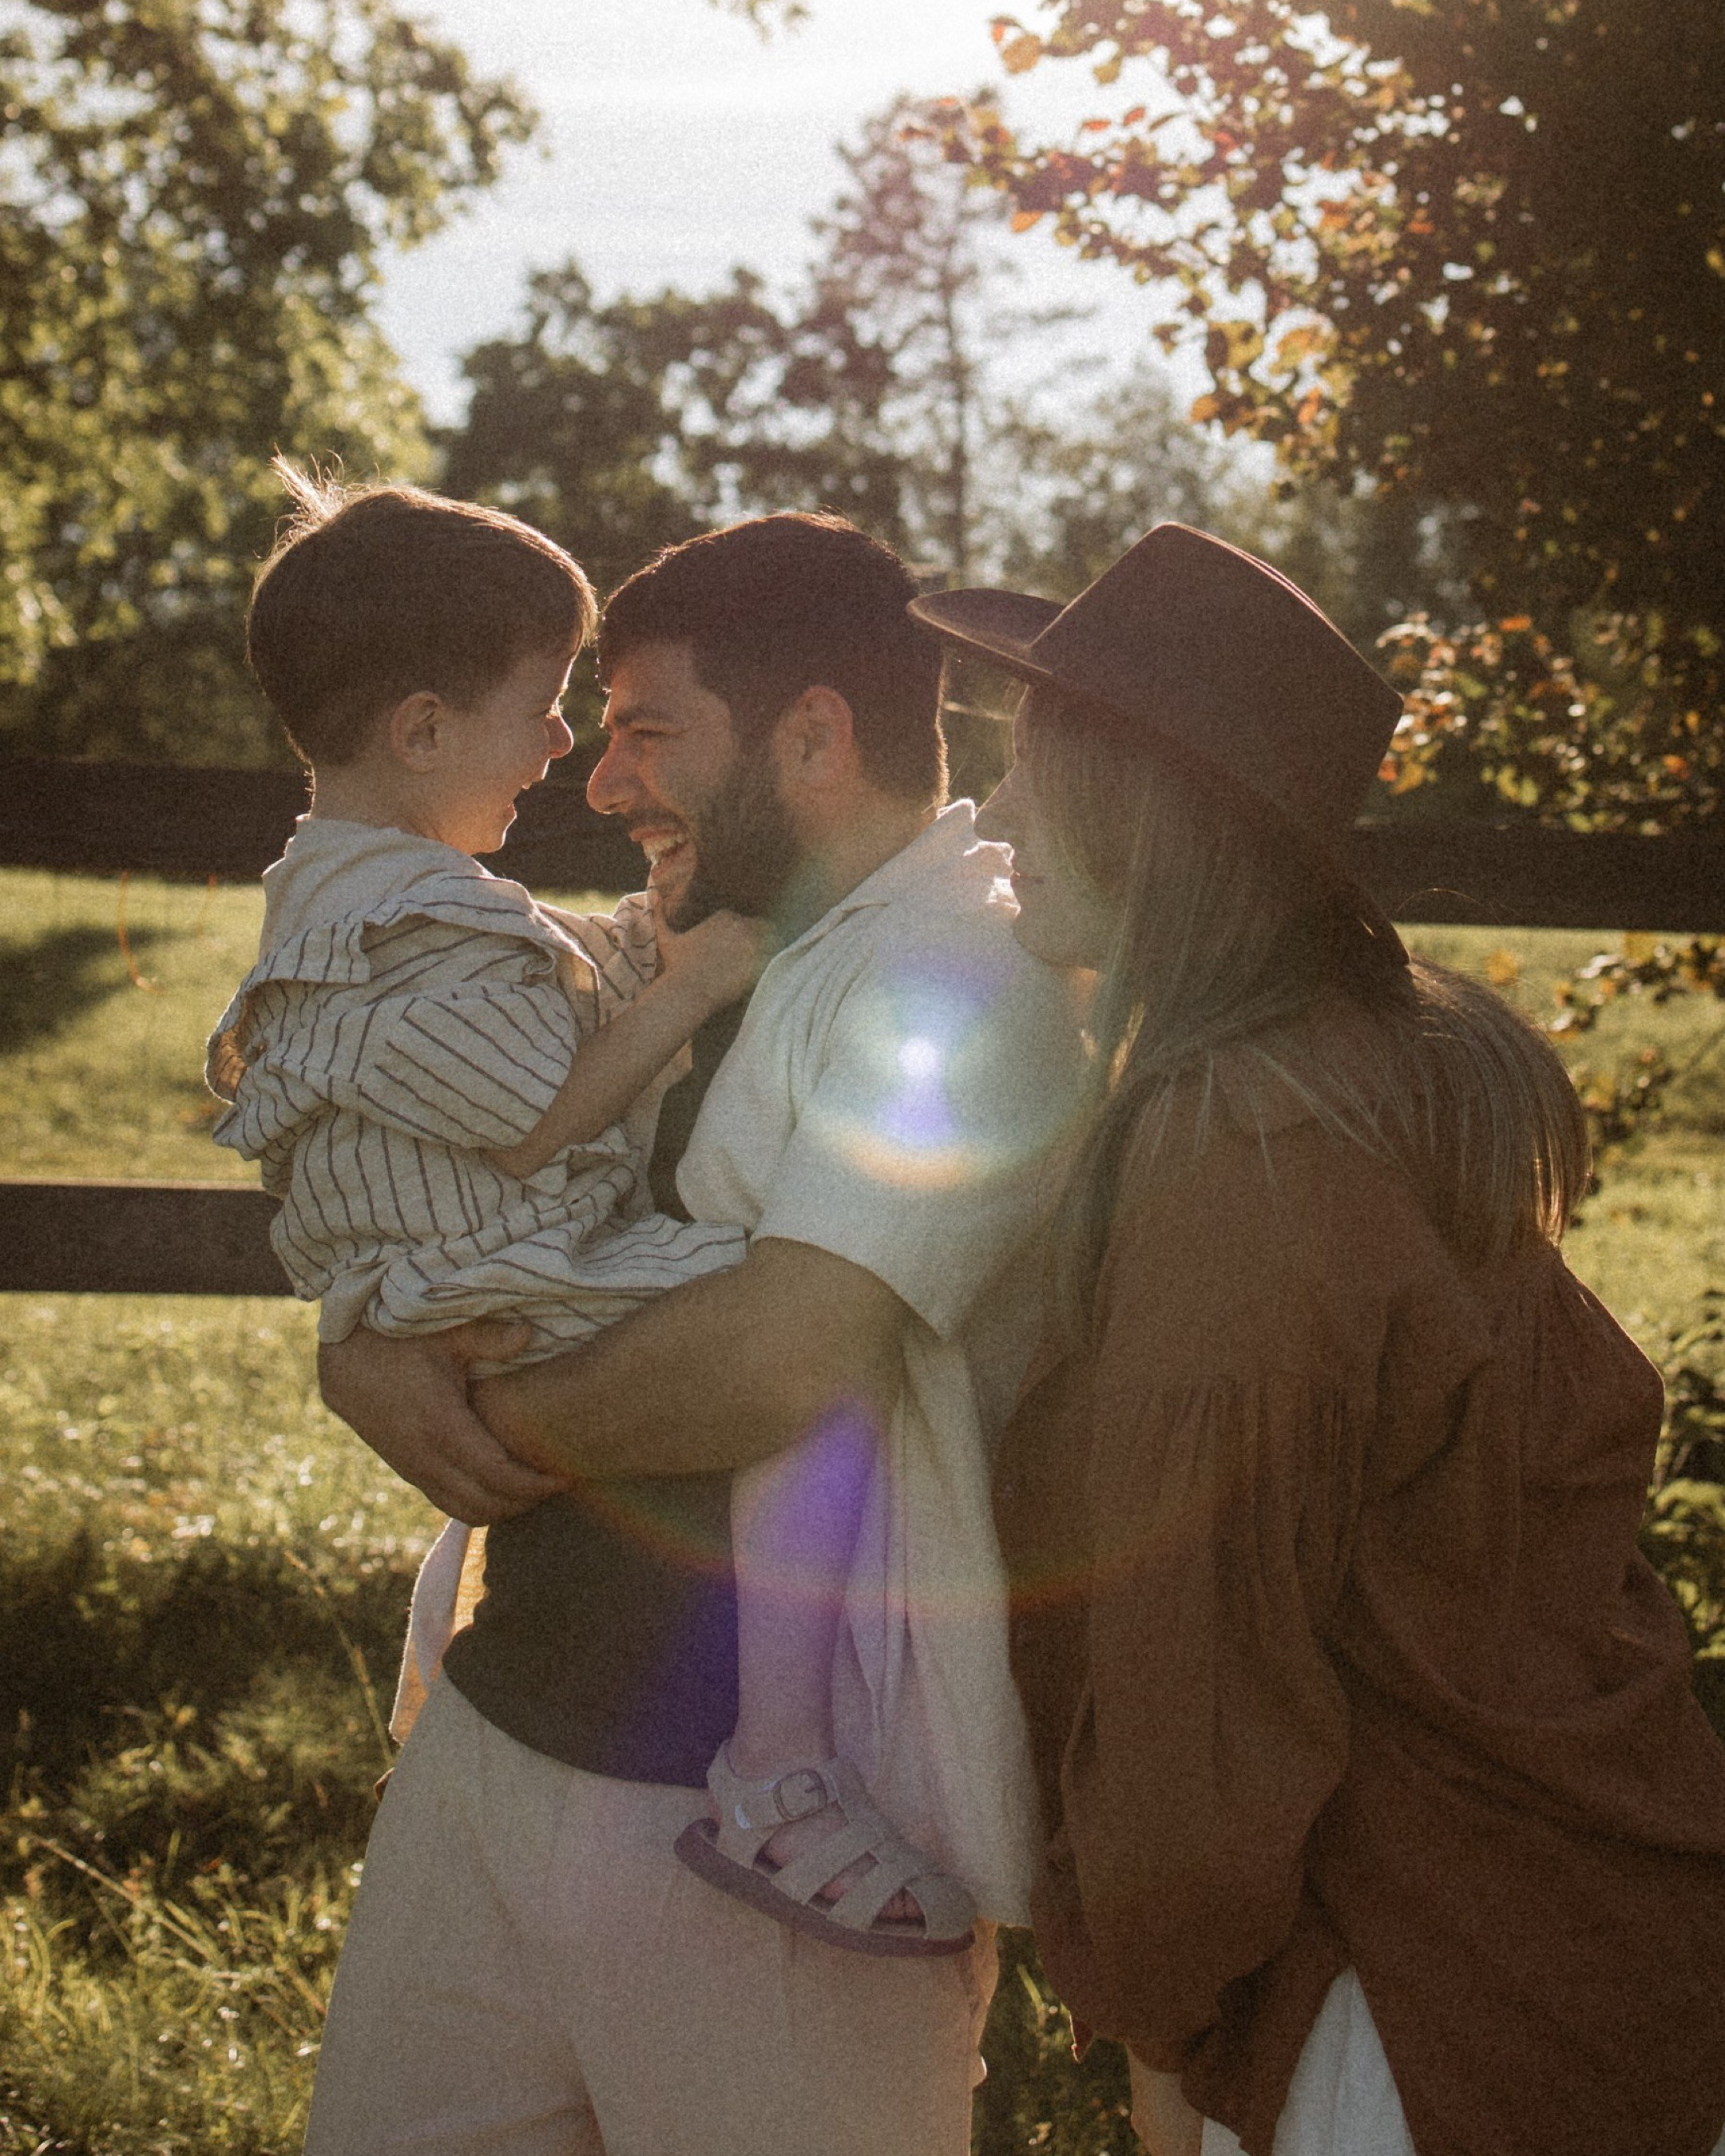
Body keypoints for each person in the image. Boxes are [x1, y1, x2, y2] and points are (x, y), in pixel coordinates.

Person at [908, 522, 1725, 2156]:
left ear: (1151, 815)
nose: (994, 814)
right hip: (1607, 1944)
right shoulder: (1362, 1076)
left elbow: (1196, 1679)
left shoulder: (1241, 1161)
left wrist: (1158, 2018)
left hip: (1420, 2006)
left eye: (1033, 771)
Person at [305, 511, 1086, 2156]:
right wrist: (360, 1351)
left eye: (649, 731)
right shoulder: (692, 943)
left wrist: (475, 1417)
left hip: (779, 1833)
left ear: (812, 734)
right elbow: (419, 1176)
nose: (596, 782)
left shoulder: (960, 981)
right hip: (502, 1728)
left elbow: (776, 1353)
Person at [205, 467, 766, 1734]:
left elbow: (563, 976)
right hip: (506, 1280)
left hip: (462, 1286)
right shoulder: (406, 925)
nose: (569, 746)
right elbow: (535, 1116)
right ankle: (790, 1739)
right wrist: (698, 984)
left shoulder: (370, 892)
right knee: (805, 1318)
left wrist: (653, 937)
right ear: (421, 732)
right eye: (548, 706)